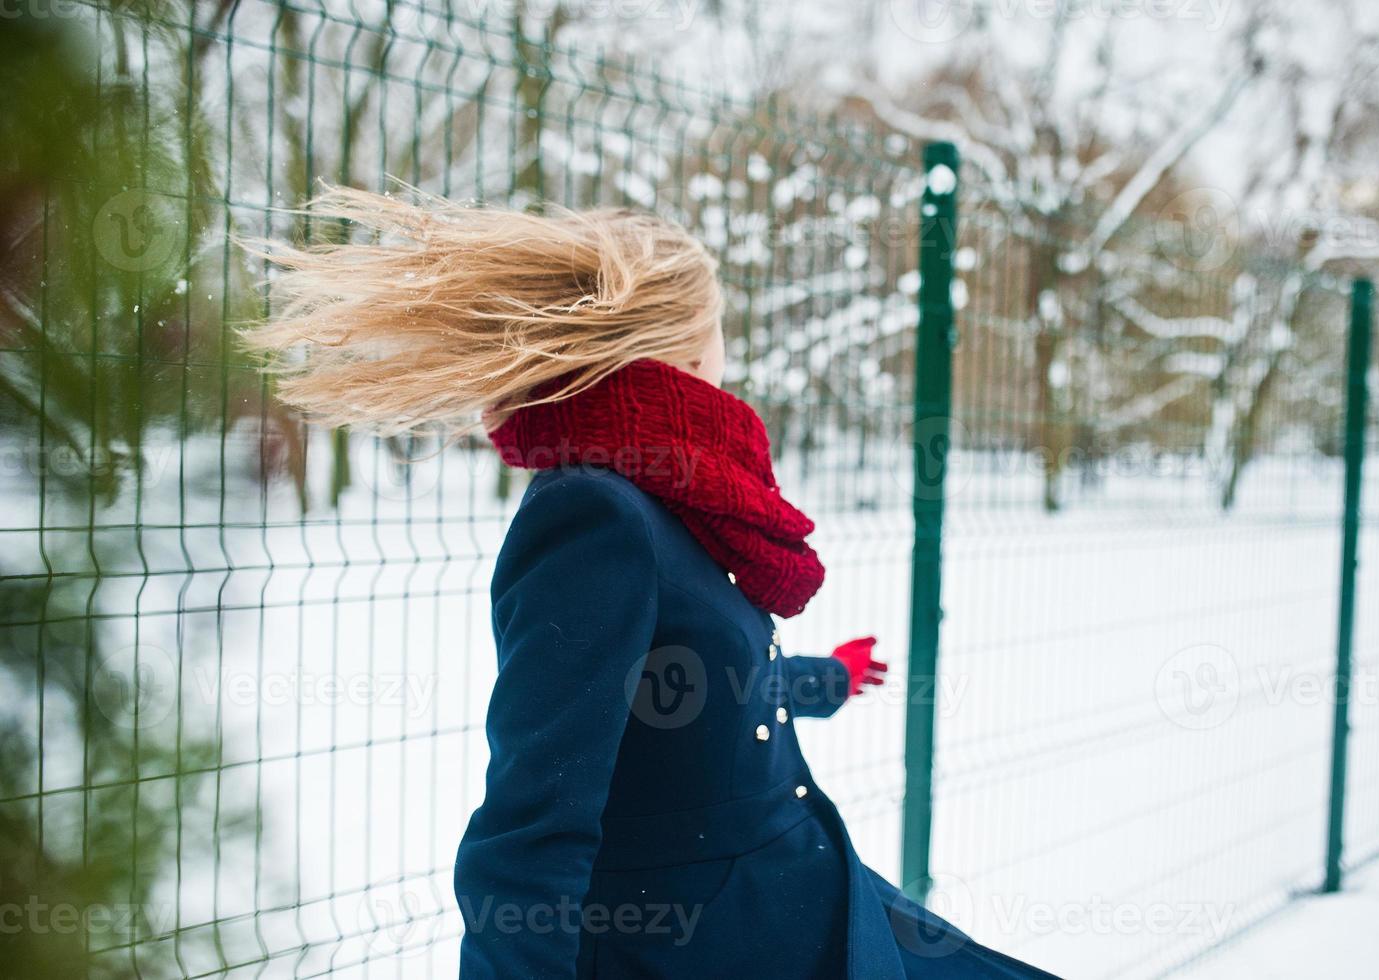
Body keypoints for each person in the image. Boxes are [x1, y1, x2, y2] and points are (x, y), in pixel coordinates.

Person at [243, 186, 1061, 979]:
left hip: (800, 900)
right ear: (684, 346)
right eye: (721, 328)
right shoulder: (595, 516)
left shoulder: (682, 493)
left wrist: (828, 678)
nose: (729, 356)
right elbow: (530, 831)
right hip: (705, 944)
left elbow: (694, 686)